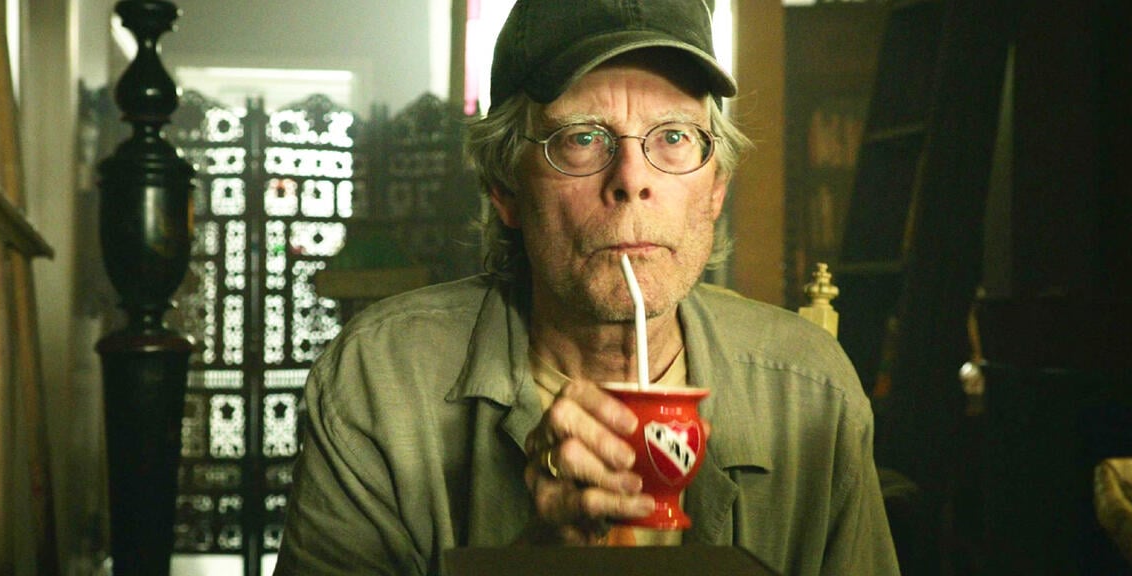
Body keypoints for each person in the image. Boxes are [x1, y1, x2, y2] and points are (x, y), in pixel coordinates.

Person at [275, 0, 899, 574]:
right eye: (581, 138)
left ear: (715, 189)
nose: (631, 179)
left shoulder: (811, 389)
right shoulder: (380, 383)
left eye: (673, 137)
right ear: (505, 189)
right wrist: (541, 559)